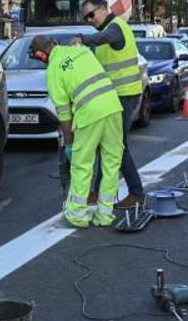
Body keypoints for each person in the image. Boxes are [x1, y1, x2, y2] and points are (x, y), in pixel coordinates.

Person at [31, 35, 125, 227]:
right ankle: (105, 214)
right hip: (113, 107)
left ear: (41, 55)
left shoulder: (54, 70)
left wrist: (69, 143)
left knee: (81, 165)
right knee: (112, 162)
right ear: (54, 43)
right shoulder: (80, 50)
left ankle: (76, 215)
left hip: (89, 114)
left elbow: (64, 113)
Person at [79, 0, 146, 209]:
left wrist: (83, 39)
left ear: (103, 8)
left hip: (124, 95)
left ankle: (136, 192)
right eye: (85, 18)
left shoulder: (115, 28)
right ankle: (98, 192)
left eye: (91, 14)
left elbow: (103, 39)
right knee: (105, 144)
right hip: (113, 97)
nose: (89, 20)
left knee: (118, 146)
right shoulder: (105, 32)